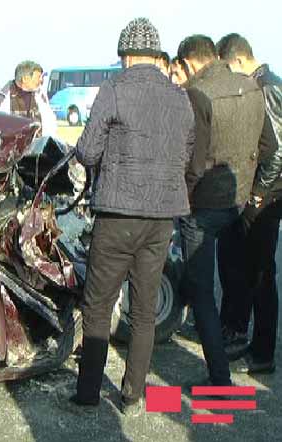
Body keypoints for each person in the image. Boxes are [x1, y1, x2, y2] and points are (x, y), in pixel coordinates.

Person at [70, 17, 194, 416]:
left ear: (124, 55)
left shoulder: (114, 89)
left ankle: (88, 394)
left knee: (99, 304)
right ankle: (133, 397)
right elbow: (186, 150)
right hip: (161, 218)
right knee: (143, 309)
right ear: (157, 56)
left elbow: (87, 151)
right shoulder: (179, 95)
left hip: (118, 212)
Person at [177, 34, 266, 387]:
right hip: (238, 199)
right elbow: (269, 145)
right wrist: (251, 189)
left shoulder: (198, 93)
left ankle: (219, 378)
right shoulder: (252, 86)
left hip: (203, 205)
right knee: (230, 276)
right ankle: (233, 338)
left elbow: (194, 164)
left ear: (188, 63)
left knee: (201, 291)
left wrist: (179, 198)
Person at [216, 33, 281, 373]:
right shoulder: (259, 84)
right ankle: (240, 334)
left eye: (228, 69)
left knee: (261, 274)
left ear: (239, 60)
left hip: (266, 198)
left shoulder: (267, 88)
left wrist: (258, 193)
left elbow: (278, 150)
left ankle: (263, 352)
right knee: (242, 267)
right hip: (255, 194)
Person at [0, 60, 57, 137]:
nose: (41, 80)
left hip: (37, 146)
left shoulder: (41, 96)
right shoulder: (0, 98)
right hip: (10, 147)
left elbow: (50, 124)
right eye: (38, 77)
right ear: (25, 79)